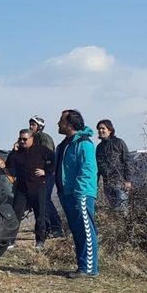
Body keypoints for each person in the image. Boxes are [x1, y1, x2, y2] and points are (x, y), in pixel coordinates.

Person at [56, 110, 99, 278]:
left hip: (80, 194)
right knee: (77, 230)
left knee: (86, 230)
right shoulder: (64, 145)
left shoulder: (84, 143)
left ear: (70, 123)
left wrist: (79, 192)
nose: (58, 123)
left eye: (61, 120)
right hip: (66, 194)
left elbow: (88, 169)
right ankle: (83, 267)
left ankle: (89, 269)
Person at [6, 129, 55, 249]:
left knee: (40, 215)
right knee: (16, 214)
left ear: (31, 139)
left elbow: (55, 159)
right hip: (21, 189)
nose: (22, 141)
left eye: (25, 139)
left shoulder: (40, 149)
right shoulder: (17, 152)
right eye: (20, 139)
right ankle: (10, 241)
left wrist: (46, 171)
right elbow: (9, 165)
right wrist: (14, 150)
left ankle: (40, 242)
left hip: (38, 187)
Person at [29, 116, 64, 238]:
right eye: (30, 124)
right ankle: (47, 229)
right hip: (37, 175)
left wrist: (46, 170)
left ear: (39, 127)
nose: (30, 126)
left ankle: (57, 228)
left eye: (33, 124)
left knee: (45, 200)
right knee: (40, 201)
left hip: (48, 174)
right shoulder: (31, 139)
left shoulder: (45, 138)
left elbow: (51, 157)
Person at [95, 119, 132, 211]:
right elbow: (97, 167)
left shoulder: (119, 142)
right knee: (114, 210)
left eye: (103, 128)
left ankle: (126, 225)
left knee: (122, 210)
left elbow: (127, 161)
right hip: (107, 184)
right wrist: (95, 184)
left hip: (120, 182)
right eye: (99, 129)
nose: (100, 131)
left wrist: (128, 180)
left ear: (110, 130)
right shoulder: (99, 147)